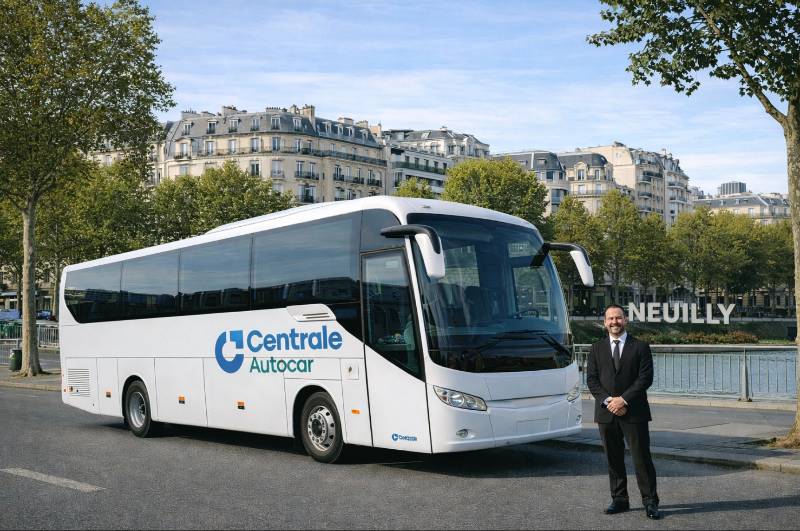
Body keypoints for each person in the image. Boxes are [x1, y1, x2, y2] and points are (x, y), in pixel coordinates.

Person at [586, 304, 660, 520]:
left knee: (641, 459)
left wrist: (623, 399)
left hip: (634, 411)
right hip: (606, 412)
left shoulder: (641, 347)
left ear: (625, 320)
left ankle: (650, 502)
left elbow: (645, 379)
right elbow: (592, 380)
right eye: (610, 319)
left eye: (618, 318)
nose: (614, 322)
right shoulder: (596, 348)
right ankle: (619, 499)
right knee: (613, 458)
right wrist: (610, 401)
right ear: (604, 322)